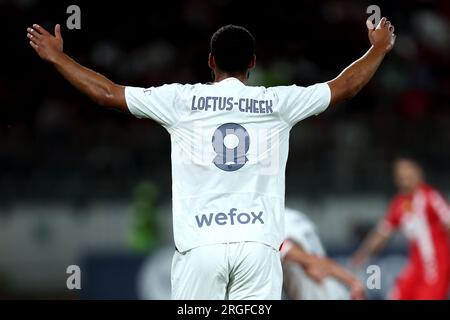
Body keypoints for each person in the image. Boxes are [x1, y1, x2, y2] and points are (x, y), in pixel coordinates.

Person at [26, 19, 395, 299]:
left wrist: (58, 57)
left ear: (210, 61)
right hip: (258, 249)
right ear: (252, 62)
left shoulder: (180, 101)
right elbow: (346, 86)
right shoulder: (277, 102)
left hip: (199, 247)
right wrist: (378, 49)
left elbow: (106, 93)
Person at [352, 158, 450, 299]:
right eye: (401, 176)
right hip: (416, 267)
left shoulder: (430, 197)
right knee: (396, 295)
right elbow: (382, 233)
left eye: (409, 175)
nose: (405, 179)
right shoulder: (399, 203)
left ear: (419, 174)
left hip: (436, 267)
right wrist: (363, 253)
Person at [281, 208, 365, 300]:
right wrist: (352, 281)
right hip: (336, 289)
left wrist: (352, 281)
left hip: (315, 293)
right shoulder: (296, 215)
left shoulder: (276, 221)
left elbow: (311, 266)